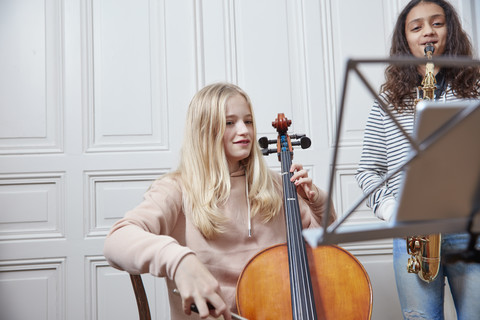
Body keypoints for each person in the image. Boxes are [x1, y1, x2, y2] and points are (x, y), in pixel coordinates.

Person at [104, 82, 336, 320]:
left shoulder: (276, 186)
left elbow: (321, 251)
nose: (244, 131)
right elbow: (116, 240)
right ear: (205, 129)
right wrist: (179, 260)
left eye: (248, 121)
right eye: (229, 122)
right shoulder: (176, 189)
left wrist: (318, 203)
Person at [356, 0, 480, 319]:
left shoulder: (476, 91)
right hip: (414, 232)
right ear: (406, 40)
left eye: (437, 23)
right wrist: (392, 210)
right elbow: (368, 170)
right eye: (417, 27)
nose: (428, 32)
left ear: (450, 31)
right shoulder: (388, 102)